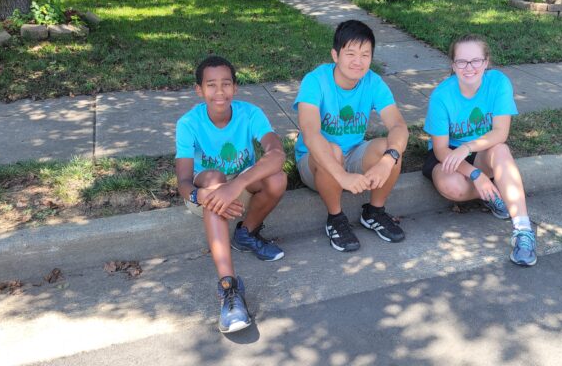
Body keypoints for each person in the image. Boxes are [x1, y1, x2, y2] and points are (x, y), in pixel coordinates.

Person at [175, 55, 288, 333]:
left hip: (238, 187)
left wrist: (235, 187)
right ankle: (229, 289)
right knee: (213, 179)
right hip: (207, 193)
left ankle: (245, 234)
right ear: (199, 90)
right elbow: (184, 182)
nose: (220, 91)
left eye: (226, 84)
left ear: (235, 88)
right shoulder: (188, 123)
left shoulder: (250, 113)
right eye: (211, 85)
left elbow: (277, 154)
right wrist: (201, 196)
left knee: (277, 178)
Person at [293, 20, 409, 252]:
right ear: (335, 55)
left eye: (365, 54)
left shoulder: (373, 81)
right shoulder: (315, 81)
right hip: (314, 161)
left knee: (390, 146)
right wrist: (341, 176)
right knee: (331, 149)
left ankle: (374, 212)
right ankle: (335, 218)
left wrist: (388, 160)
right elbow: (310, 133)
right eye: (351, 53)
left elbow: (399, 126)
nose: (358, 61)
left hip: (354, 152)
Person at [422, 34, 537, 266]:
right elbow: (441, 149)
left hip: (483, 147)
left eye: (475, 61)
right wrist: (476, 175)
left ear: (486, 62)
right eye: (461, 62)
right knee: (450, 186)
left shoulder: (498, 83)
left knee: (501, 150)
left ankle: (524, 231)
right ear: (453, 65)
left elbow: (500, 133)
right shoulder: (441, 96)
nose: (469, 67)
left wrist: (468, 147)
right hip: (450, 152)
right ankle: (495, 192)